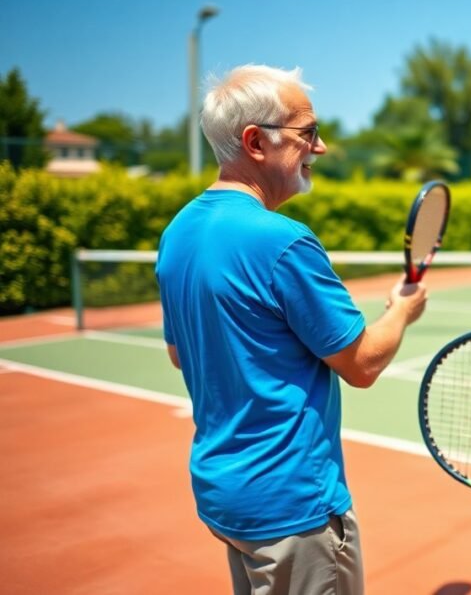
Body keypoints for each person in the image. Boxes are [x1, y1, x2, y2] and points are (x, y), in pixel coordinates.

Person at [155, 64, 427, 595]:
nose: (320, 148)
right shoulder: (283, 241)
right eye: (308, 133)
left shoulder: (178, 231)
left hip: (224, 495)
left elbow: (177, 353)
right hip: (291, 504)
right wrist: (402, 310)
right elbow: (364, 363)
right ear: (256, 142)